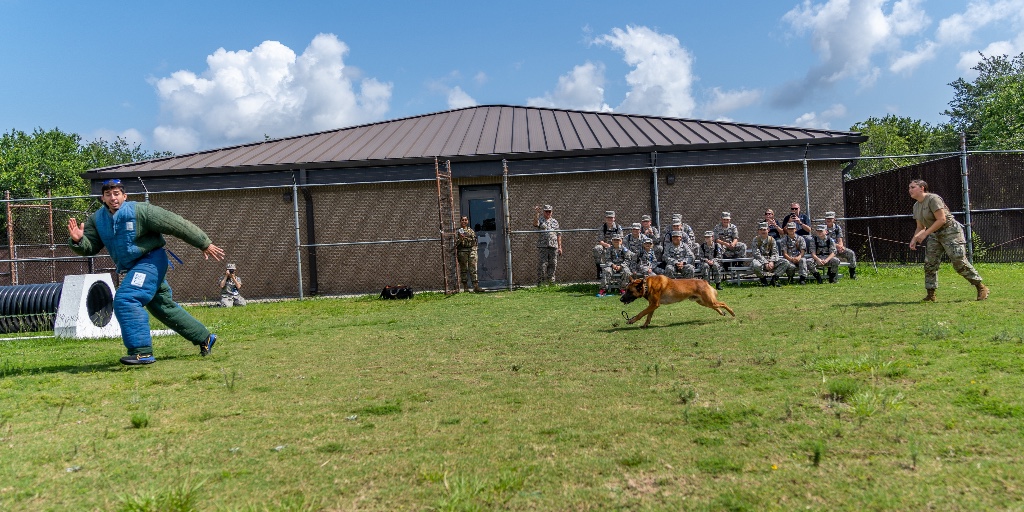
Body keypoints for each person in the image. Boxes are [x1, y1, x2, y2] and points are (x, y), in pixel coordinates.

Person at [67, 178, 224, 365]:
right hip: (134, 267)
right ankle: (204, 338)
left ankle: (141, 351)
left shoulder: (140, 211)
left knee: (127, 299)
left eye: (116, 194)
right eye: (108, 194)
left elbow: (175, 223)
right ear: (102, 198)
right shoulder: (97, 220)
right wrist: (78, 241)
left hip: (151, 261)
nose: (113, 198)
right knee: (162, 307)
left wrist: (204, 243)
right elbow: (90, 247)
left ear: (124, 196)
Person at [908, 179, 989, 301]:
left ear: (922, 188)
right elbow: (920, 227)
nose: (910, 190)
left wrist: (924, 234)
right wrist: (914, 239)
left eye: (913, 187)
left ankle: (980, 287)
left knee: (958, 261)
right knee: (930, 263)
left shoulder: (933, 199)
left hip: (950, 231)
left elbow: (941, 220)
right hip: (935, 234)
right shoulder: (916, 206)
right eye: (909, 188)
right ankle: (931, 295)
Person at [750, 222, 789, 287]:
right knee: (755, 264)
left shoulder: (772, 240)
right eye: (761, 230)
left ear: (768, 230)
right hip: (760, 261)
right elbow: (756, 254)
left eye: (765, 229)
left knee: (785, 262)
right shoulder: (756, 240)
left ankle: (774, 280)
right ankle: (763, 280)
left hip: (771, 261)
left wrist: (772, 261)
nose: (763, 231)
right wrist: (765, 262)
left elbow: (775, 252)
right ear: (759, 231)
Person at [534, 205, 562, 285]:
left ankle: (551, 283)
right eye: (546, 211)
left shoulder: (555, 221)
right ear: (544, 212)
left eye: (549, 211)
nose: (548, 213)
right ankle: (541, 283)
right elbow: (535, 224)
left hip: (553, 246)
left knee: (553, 264)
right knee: (542, 264)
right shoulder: (540, 220)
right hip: (543, 246)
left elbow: (559, 234)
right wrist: (536, 213)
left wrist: (560, 247)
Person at [824, 211, 857, 279]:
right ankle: (831, 272)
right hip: (827, 249)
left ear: (834, 219)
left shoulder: (837, 228)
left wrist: (841, 247)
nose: (829, 220)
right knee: (832, 257)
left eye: (830, 218)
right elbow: (826, 241)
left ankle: (852, 273)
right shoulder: (823, 228)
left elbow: (840, 239)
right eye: (827, 218)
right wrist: (837, 246)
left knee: (851, 253)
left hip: (837, 248)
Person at [592, 211, 623, 279]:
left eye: (611, 218)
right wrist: (606, 245)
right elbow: (600, 241)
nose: (610, 219)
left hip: (616, 246)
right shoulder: (603, 228)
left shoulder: (618, 227)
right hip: (605, 246)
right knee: (597, 248)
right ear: (605, 218)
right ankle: (599, 267)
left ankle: (619, 268)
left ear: (614, 218)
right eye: (608, 218)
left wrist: (615, 246)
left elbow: (621, 239)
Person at [456, 216, 483, 292]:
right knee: (464, 269)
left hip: (471, 250)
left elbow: (474, 240)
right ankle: (465, 287)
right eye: (462, 220)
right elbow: (456, 243)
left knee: (473, 268)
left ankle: (476, 286)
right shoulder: (458, 231)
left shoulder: (471, 231)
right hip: (462, 251)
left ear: (467, 221)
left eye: (465, 220)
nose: (464, 221)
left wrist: (474, 248)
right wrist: (461, 239)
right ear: (460, 221)